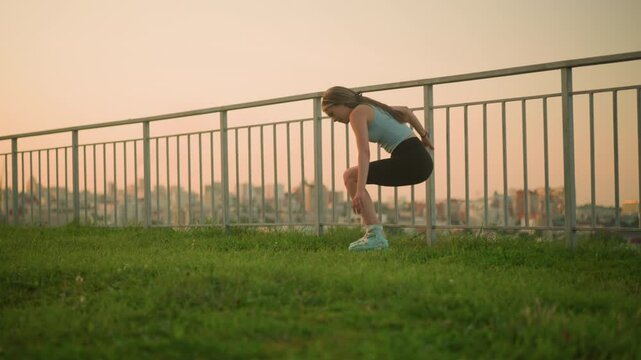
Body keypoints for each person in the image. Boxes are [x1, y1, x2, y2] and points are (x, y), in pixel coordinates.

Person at [321, 86, 434, 251]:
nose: (334, 119)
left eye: (332, 113)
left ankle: (375, 237)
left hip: (412, 161)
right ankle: (375, 236)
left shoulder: (357, 114)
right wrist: (423, 136)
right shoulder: (373, 107)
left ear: (343, 103)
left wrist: (359, 190)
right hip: (419, 160)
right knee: (351, 176)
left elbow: (364, 153)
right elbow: (407, 112)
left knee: (350, 176)